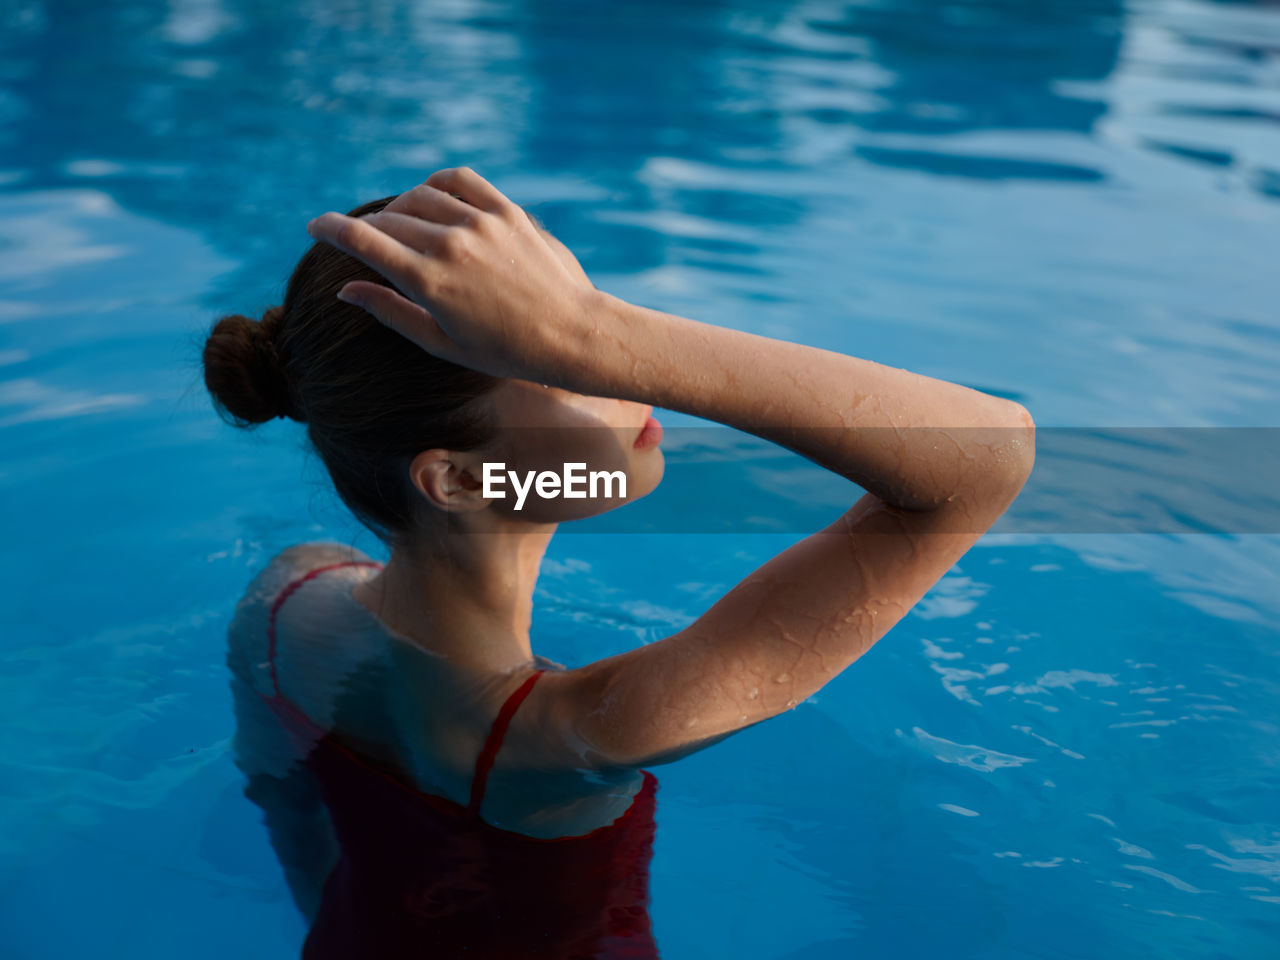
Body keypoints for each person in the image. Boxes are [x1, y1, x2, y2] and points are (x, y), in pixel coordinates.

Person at [204, 167, 1035, 959]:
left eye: (591, 323)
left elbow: (285, 807)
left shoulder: (285, 599)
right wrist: (597, 333)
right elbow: (988, 462)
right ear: (457, 478)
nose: (634, 382)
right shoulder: (588, 736)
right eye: (569, 363)